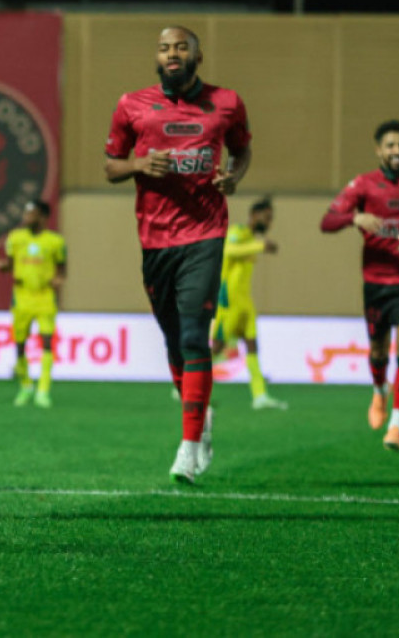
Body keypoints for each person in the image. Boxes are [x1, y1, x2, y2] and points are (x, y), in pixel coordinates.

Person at [104, 26, 252, 485]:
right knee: (173, 341)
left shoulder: (226, 102)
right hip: (155, 240)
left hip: (205, 233)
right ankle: (200, 416)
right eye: (165, 47)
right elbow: (110, 165)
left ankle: (188, 446)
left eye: (181, 47)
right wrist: (138, 165)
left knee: (193, 335)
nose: (172, 53)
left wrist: (233, 177)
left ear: (197, 56)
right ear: (157, 57)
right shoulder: (132, 104)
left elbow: (242, 151)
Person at [320, 120, 399, 450]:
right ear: (378, 150)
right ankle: (378, 392)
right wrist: (354, 217)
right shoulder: (364, 185)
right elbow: (327, 222)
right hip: (376, 282)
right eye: (390, 145)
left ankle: (397, 426)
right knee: (377, 351)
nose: (397, 150)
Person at [213, 197, 287, 411]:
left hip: (245, 302)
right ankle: (186, 382)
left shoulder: (252, 239)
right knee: (217, 347)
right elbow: (227, 250)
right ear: (254, 215)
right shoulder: (238, 232)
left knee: (252, 345)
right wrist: (259, 245)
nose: (269, 222)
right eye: (267, 217)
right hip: (228, 300)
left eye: (271, 219)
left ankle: (260, 395)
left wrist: (258, 244)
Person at [0, 200, 66, 408]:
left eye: (31, 214)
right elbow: (9, 264)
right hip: (22, 296)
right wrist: (3, 267)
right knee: (20, 344)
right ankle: (25, 385)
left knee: (47, 341)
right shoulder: (15, 238)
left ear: (43, 217)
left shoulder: (55, 242)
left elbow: (62, 268)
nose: (26, 218)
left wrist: (58, 279)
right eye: (26, 214)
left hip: (45, 296)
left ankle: (43, 390)